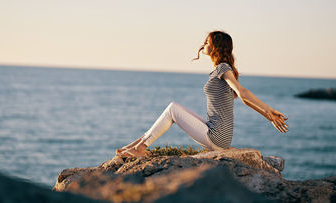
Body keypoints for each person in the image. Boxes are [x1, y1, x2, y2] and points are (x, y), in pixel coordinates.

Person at [116, 30, 288, 158]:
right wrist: (268, 116)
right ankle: (133, 146)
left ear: (216, 47)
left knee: (172, 109)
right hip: (217, 132)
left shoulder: (223, 68)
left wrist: (269, 110)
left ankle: (140, 148)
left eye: (207, 42)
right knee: (172, 110)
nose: (203, 45)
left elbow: (242, 92)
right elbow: (245, 101)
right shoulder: (219, 70)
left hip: (217, 136)